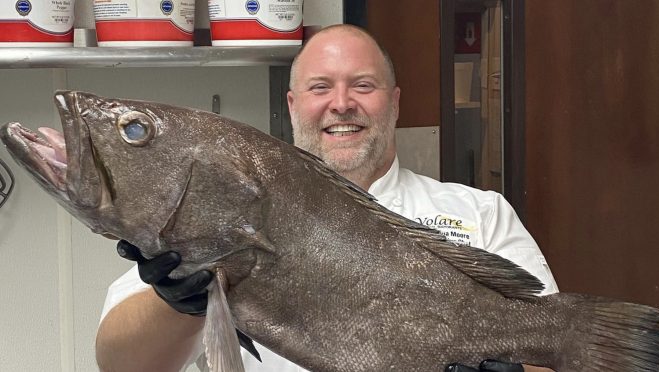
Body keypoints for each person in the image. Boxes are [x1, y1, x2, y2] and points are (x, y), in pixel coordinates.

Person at [96, 24, 558, 372]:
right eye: (321, 87)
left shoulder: (481, 213)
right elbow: (121, 363)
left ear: (394, 103)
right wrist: (175, 301)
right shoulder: (225, 214)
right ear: (294, 105)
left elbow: (554, 350)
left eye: (363, 84)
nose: (341, 103)